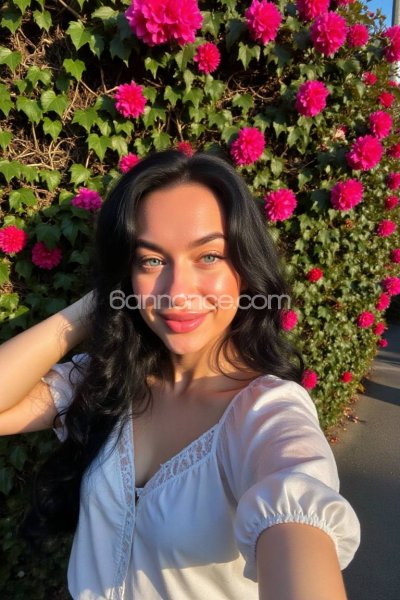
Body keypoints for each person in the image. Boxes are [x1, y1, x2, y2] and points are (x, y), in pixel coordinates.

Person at [0, 149, 360, 600]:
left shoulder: (266, 415)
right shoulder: (106, 380)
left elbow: (297, 509)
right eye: (151, 260)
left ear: (245, 269)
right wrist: (97, 306)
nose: (176, 292)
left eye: (208, 256)